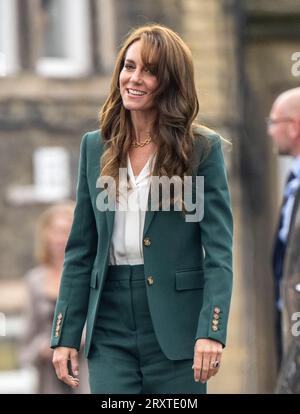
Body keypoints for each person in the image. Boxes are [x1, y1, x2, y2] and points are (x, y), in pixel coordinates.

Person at [51, 24, 233, 394]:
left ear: (169, 81)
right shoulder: (95, 147)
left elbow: (218, 251)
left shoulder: (200, 150)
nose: (134, 78)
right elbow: (81, 248)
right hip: (110, 320)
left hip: (176, 323)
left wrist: (211, 331)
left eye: (149, 70)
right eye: (128, 66)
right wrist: (65, 333)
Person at [20, 202, 89, 394]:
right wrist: (44, 347)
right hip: (48, 375)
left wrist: (69, 340)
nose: (61, 238)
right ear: (46, 236)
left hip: (85, 368)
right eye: (56, 231)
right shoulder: (34, 280)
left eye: (67, 230)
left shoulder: (90, 275)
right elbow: (29, 335)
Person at [267, 87, 300, 393]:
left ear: (294, 126)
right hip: (287, 319)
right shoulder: (293, 180)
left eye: (273, 123)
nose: (269, 132)